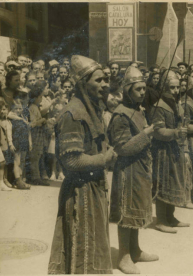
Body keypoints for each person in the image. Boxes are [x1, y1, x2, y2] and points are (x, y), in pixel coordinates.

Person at [48, 55, 116, 274]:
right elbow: (71, 159)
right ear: (83, 83)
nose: (105, 84)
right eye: (98, 80)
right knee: (82, 252)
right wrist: (103, 159)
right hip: (80, 193)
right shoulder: (73, 114)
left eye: (106, 80)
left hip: (93, 188)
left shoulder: (93, 108)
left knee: (94, 248)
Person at [107, 67, 158, 274]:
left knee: (137, 208)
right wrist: (146, 134)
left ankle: (135, 250)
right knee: (127, 212)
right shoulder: (120, 114)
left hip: (140, 167)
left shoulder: (138, 109)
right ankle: (124, 255)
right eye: (138, 89)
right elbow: (122, 148)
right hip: (127, 170)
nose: (142, 92)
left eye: (144, 88)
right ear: (128, 90)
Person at [151, 70, 190, 234]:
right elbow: (157, 131)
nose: (175, 91)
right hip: (162, 151)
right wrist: (175, 133)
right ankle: (161, 219)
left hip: (174, 148)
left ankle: (171, 217)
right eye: (172, 88)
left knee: (174, 181)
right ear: (164, 88)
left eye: (177, 87)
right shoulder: (159, 106)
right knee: (163, 183)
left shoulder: (176, 105)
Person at [27, 81, 48, 186]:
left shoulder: (36, 107)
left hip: (38, 135)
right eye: (40, 97)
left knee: (38, 156)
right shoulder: (32, 108)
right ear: (34, 98)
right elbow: (32, 123)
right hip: (34, 136)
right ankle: (35, 178)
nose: (41, 99)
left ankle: (37, 176)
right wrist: (42, 120)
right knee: (35, 156)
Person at [9, 100, 31, 189]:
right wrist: (21, 119)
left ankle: (21, 179)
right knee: (16, 161)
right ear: (13, 109)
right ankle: (18, 181)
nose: (18, 110)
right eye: (16, 108)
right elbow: (9, 114)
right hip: (16, 140)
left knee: (22, 161)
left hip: (24, 140)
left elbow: (28, 130)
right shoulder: (12, 116)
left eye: (20, 108)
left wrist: (30, 142)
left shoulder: (24, 116)